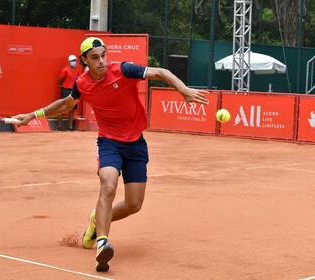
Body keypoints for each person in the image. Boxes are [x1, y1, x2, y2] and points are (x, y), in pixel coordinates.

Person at [13, 37, 209, 272]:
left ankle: (97, 220)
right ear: (85, 60)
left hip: (136, 143)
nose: (102, 61)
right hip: (109, 143)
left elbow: (161, 72)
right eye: (95, 58)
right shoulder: (82, 83)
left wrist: (183, 89)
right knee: (108, 184)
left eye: (103, 55)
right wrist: (33, 115)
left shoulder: (123, 70)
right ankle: (103, 243)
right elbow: (66, 104)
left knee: (134, 204)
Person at [57, 54, 80, 131]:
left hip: (74, 91)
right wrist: (61, 85)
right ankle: (59, 126)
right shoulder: (65, 70)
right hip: (65, 90)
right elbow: (60, 79)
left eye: (75, 61)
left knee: (72, 109)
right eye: (72, 61)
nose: (74, 62)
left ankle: (70, 127)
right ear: (69, 62)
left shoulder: (77, 70)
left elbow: (78, 80)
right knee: (62, 108)